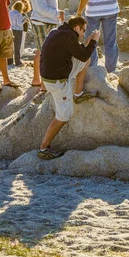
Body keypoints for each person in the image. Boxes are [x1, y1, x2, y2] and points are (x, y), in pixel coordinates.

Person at [38, 16, 100, 160]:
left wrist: (88, 41)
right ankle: (43, 148)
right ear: (77, 28)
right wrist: (95, 41)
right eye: (83, 31)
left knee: (86, 60)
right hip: (57, 81)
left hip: (51, 74)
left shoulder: (59, 32)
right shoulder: (68, 37)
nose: (83, 34)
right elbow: (83, 55)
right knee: (64, 115)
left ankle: (78, 93)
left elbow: (80, 54)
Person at [28, 0, 65, 90]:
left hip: (50, 22)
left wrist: (57, 17)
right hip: (42, 23)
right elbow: (41, 8)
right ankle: (41, 83)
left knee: (43, 51)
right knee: (43, 52)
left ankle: (38, 80)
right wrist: (57, 13)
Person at [7, 0, 32, 66]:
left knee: (10, 46)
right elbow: (19, 24)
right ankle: (17, 62)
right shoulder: (19, 14)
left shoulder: (10, 12)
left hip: (10, 30)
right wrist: (24, 21)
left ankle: (9, 61)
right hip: (18, 31)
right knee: (17, 47)